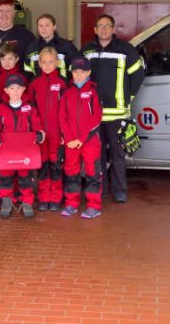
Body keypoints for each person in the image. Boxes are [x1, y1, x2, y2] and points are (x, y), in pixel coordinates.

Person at [80, 15, 145, 203]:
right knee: (97, 155)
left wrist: (128, 98)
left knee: (117, 154)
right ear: (95, 30)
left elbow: (138, 75)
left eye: (107, 26)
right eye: (100, 26)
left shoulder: (126, 50)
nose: (104, 29)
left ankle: (119, 190)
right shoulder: (86, 51)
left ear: (114, 29)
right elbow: (76, 75)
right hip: (93, 114)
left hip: (117, 113)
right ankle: (100, 188)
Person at [0, 73, 44, 219]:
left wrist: (39, 134)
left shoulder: (29, 107)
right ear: (6, 90)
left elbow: (37, 124)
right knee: (5, 177)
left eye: (18, 88)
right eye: (12, 88)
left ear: (23, 89)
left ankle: (27, 201)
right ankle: (6, 201)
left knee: (26, 178)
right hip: (7, 151)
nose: (15, 91)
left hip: (25, 151)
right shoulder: (0, 108)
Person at [58, 56, 103, 219]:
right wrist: (69, 138)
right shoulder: (67, 93)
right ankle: (71, 204)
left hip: (89, 141)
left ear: (88, 72)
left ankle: (94, 206)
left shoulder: (93, 92)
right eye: (75, 72)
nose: (78, 75)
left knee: (92, 172)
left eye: (81, 72)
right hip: (71, 142)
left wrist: (81, 139)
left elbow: (96, 117)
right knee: (71, 172)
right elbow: (62, 117)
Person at [27, 47, 67, 211]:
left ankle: (56, 197)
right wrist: (36, 130)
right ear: (39, 63)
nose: (48, 65)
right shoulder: (35, 83)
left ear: (57, 62)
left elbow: (67, 110)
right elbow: (31, 108)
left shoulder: (63, 83)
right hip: (41, 134)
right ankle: (44, 197)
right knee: (43, 166)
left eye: (51, 62)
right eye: (44, 62)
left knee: (56, 165)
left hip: (57, 133)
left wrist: (65, 132)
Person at [24, 14, 77, 80]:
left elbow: (76, 70)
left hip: (61, 88)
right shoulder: (31, 48)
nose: (43, 29)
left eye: (47, 25)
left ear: (54, 27)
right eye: (40, 25)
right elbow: (27, 72)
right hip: (39, 88)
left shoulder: (67, 46)